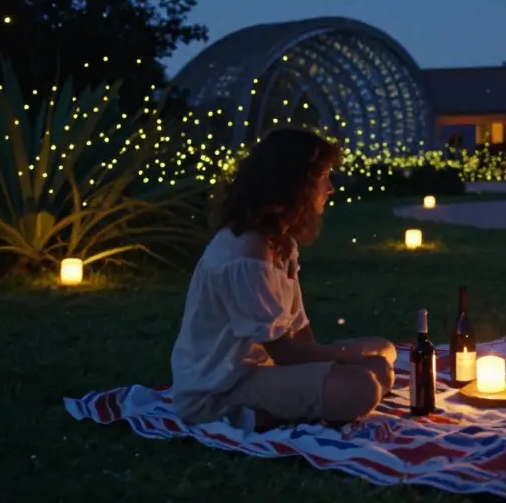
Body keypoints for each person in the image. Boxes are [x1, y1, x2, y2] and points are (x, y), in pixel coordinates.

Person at [170, 126, 397, 431]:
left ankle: (304, 402)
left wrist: (333, 365)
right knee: (362, 386)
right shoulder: (248, 253)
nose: (330, 188)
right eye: (323, 177)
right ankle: (247, 417)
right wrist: (345, 360)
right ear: (296, 185)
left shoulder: (280, 241)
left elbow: (299, 330)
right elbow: (285, 351)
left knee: (383, 352)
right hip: (221, 387)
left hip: (265, 370)